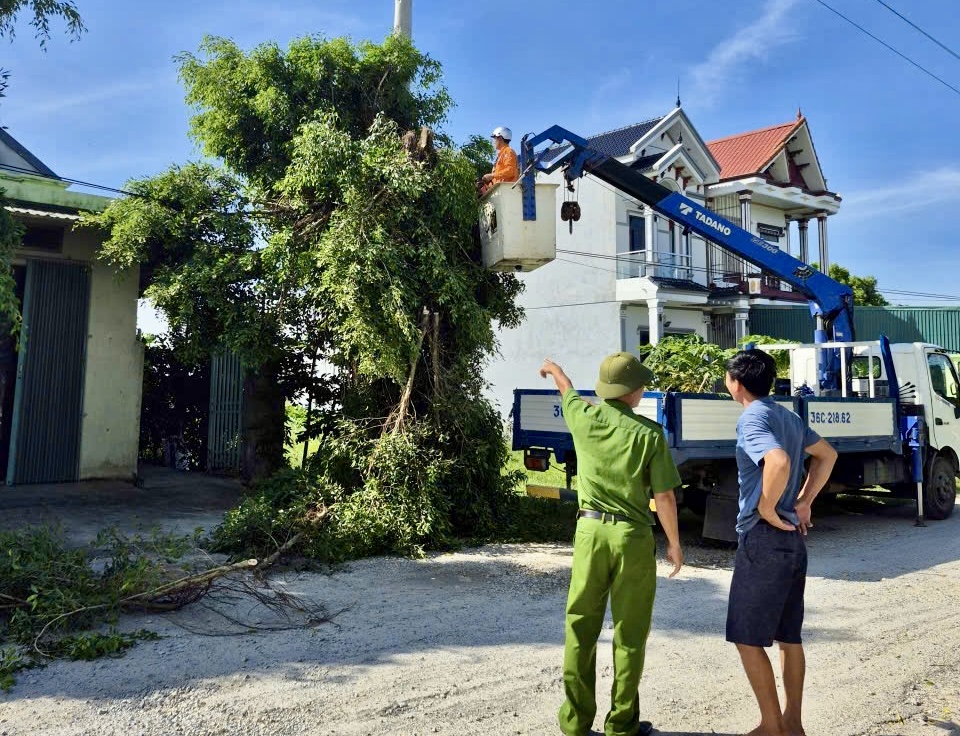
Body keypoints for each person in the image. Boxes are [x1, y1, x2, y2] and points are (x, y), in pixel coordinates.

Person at [539, 352, 683, 736]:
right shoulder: (650, 435)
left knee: (580, 627)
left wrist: (555, 369)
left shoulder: (583, 417)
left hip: (589, 534)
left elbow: (567, 390)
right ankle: (621, 725)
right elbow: (665, 498)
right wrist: (674, 544)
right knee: (629, 634)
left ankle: (575, 721)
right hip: (631, 538)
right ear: (634, 392)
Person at [723, 350, 838, 736]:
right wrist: (803, 502)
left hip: (766, 539)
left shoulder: (752, 417)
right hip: (793, 543)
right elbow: (827, 455)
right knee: (789, 637)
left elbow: (778, 462)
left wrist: (767, 508)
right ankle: (793, 723)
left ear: (735, 383)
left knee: (745, 636)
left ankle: (771, 727)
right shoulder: (788, 416)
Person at [478, 126, 519, 195]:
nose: (493, 142)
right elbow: (498, 178)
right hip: (501, 192)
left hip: (507, 192)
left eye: (494, 138)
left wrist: (491, 175)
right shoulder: (501, 155)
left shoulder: (508, 152)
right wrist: (485, 186)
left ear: (499, 138)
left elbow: (510, 171)